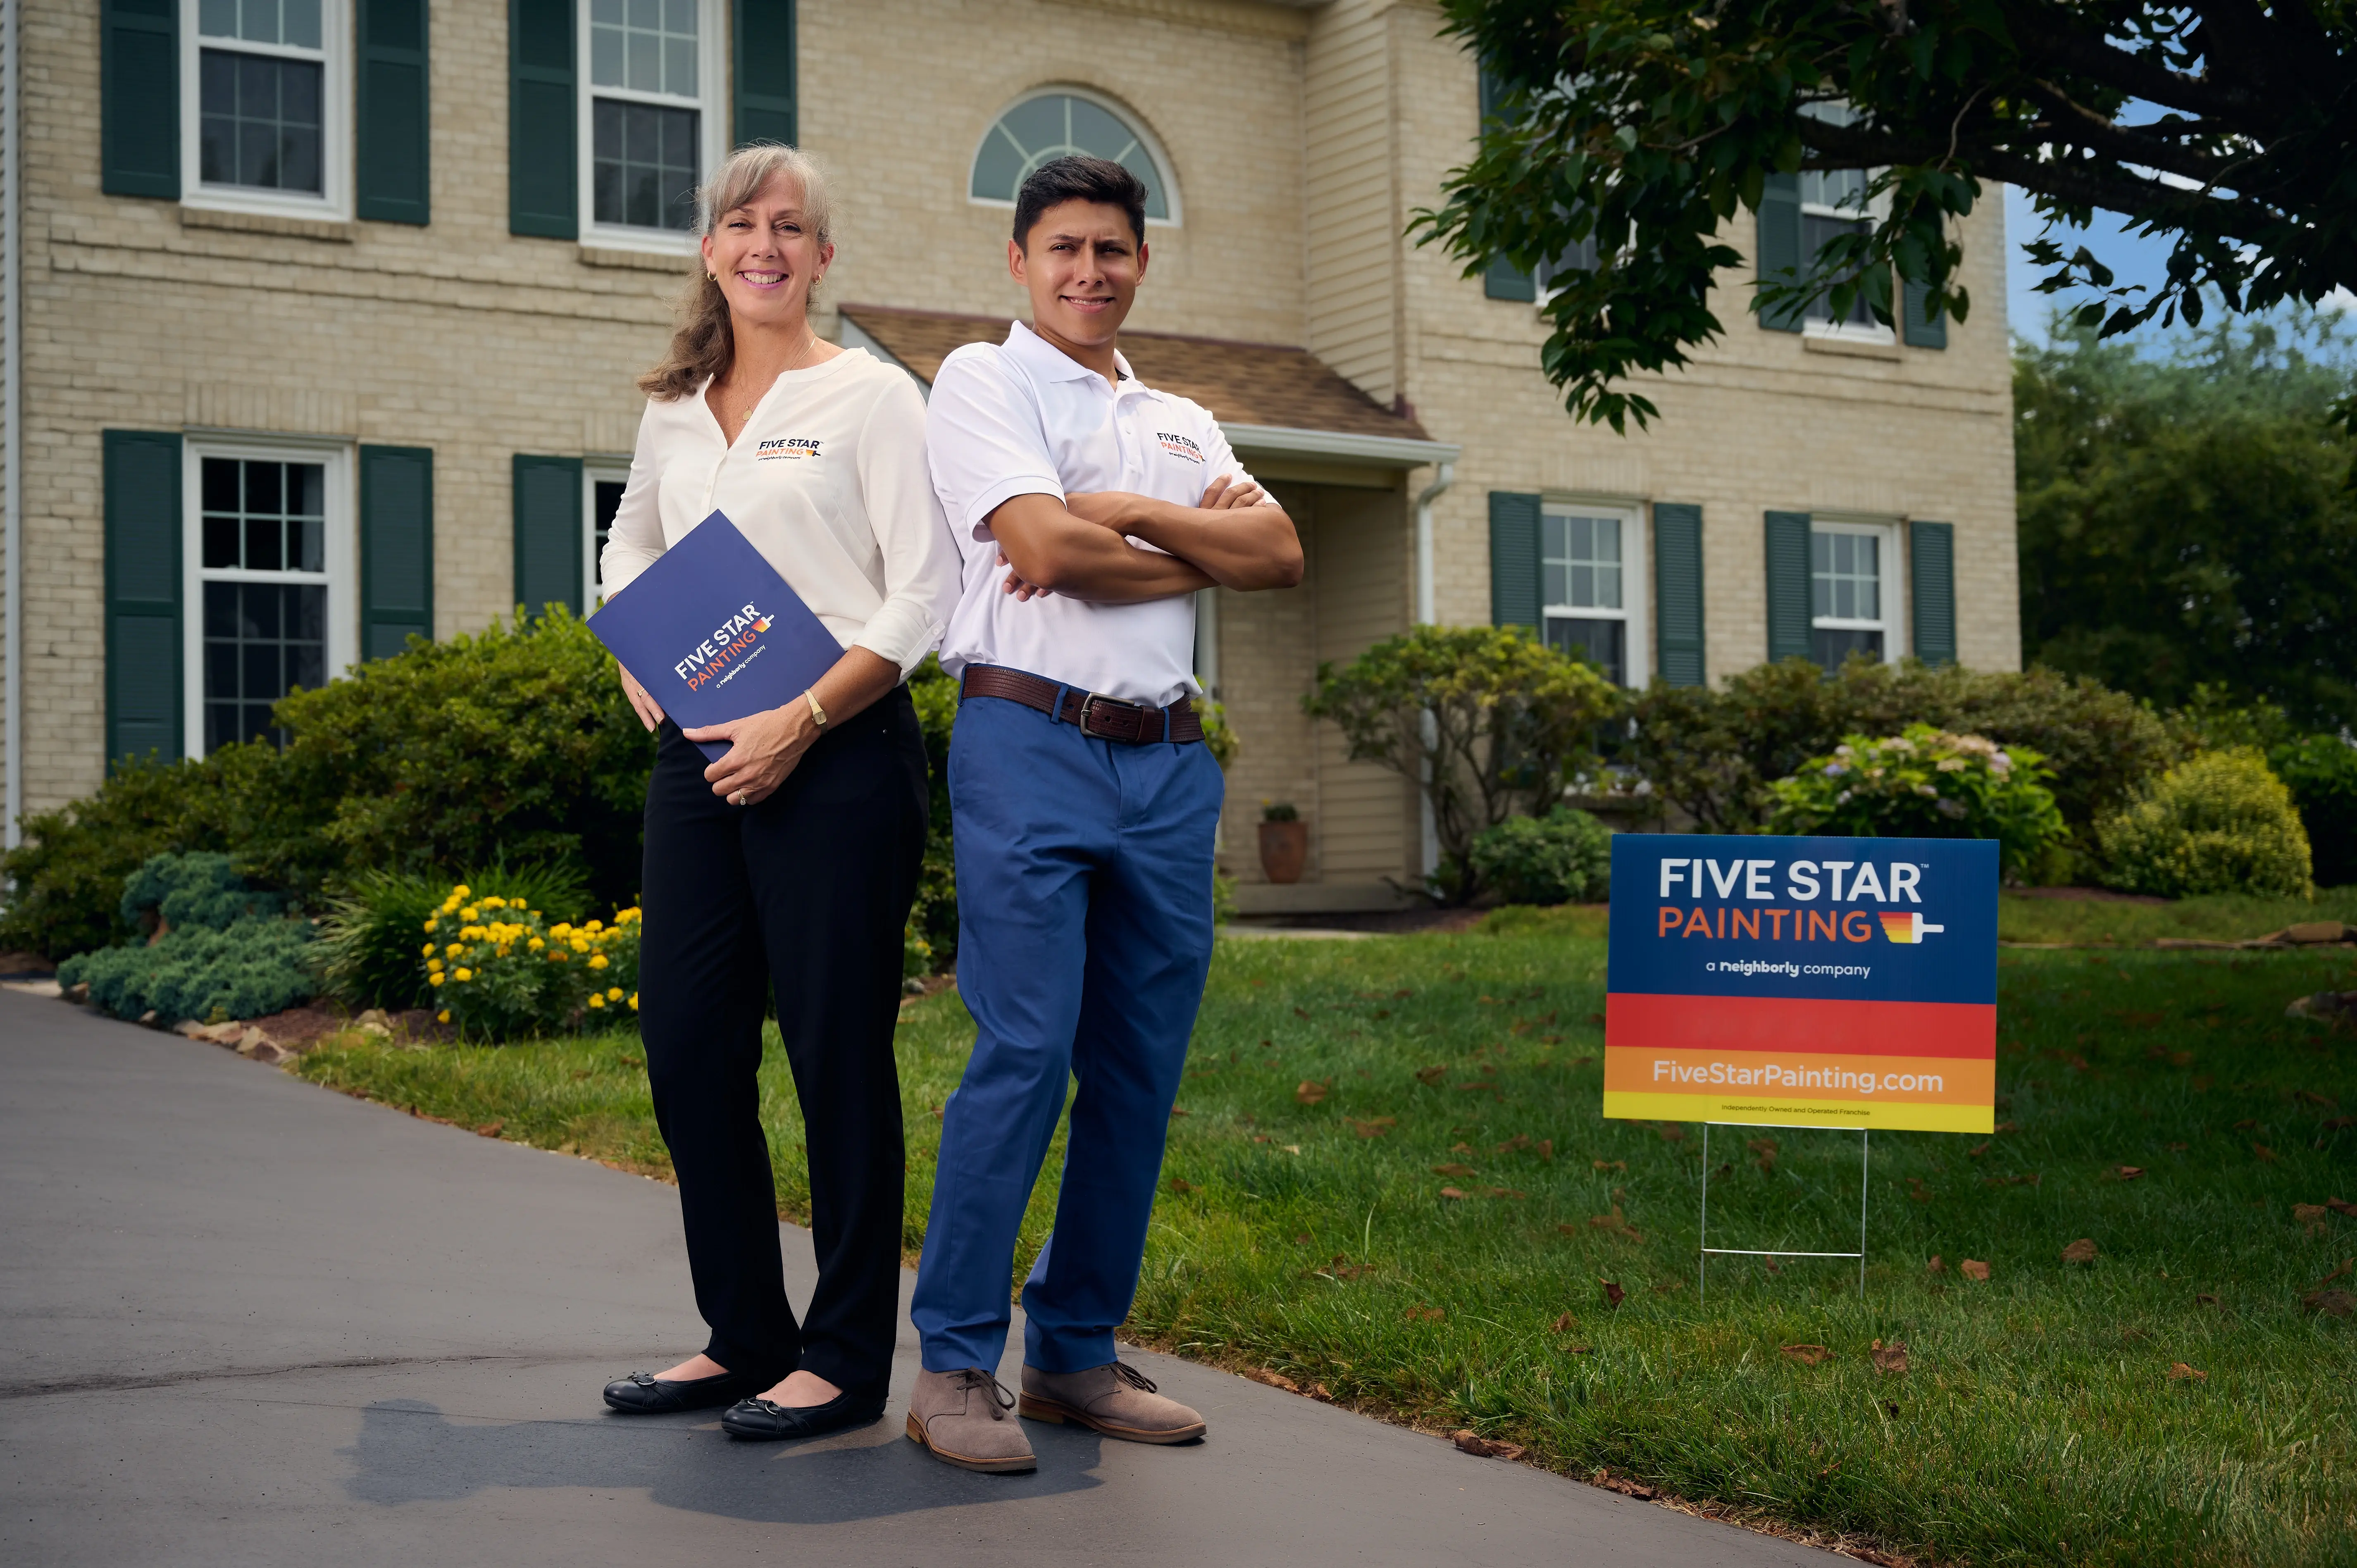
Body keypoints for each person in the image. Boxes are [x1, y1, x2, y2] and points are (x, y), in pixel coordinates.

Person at [903, 155, 1304, 1473]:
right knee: (1023, 1051)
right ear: (1019, 261)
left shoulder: (1181, 420)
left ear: (1142, 263)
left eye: (1112, 251)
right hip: (1030, 740)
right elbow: (1038, 550)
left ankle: (1074, 1352)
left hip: (1170, 763)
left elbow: (1284, 559)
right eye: (1064, 248)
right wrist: (1188, 546)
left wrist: (1127, 507)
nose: (1088, 271)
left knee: (1137, 1067)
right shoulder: (983, 379)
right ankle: (957, 1367)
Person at [595, 144, 960, 1443]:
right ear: (711, 252)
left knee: (834, 1055)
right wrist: (637, 645)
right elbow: (630, 539)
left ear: (818, 256)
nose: (765, 243)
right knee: (690, 1044)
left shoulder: (871, 398)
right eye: (742, 223)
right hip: (696, 760)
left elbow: (924, 592)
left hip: (840, 758)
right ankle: (742, 1333)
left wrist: (803, 720)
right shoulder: (676, 406)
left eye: (790, 225)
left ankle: (846, 1354)